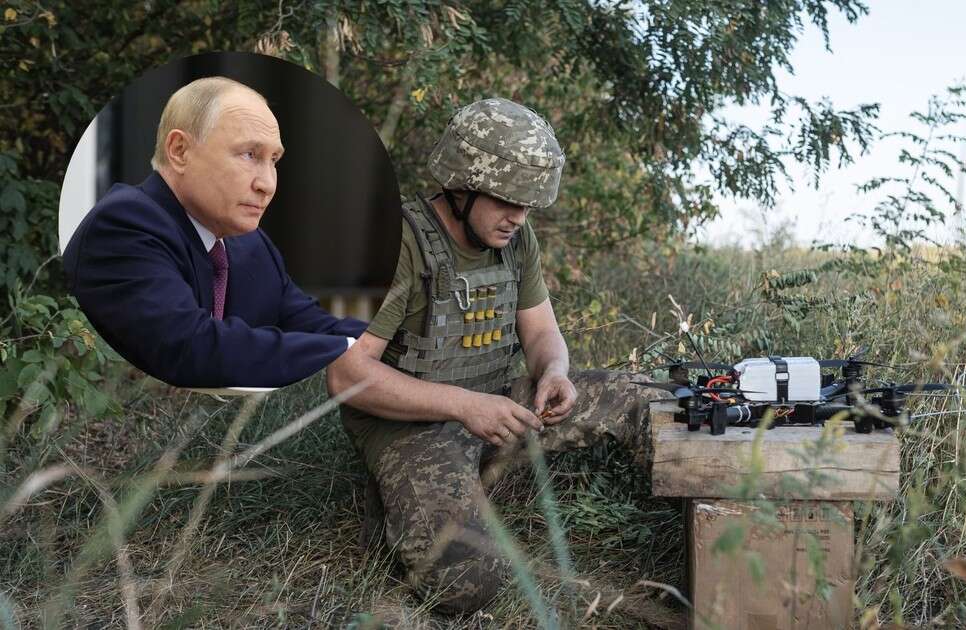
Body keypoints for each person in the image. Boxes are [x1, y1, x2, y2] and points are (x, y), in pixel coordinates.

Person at [328, 98, 649, 614]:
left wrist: (554, 372)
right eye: (506, 201)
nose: (518, 218)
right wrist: (462, 406)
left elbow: (542, 329)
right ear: (462, 185)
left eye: (527, 205)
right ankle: (409, 508)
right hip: (409, 427)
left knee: (645, 397)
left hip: (499, 406)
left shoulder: (516, 240)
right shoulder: (392, 242)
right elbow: (346, 376)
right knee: (468, 584)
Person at [63, 76, 366, 388]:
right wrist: (350, 353)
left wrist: (392, 345)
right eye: (250, 154)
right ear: (179, 150)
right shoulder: (125, 223)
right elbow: (191, 349)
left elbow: (316, 327)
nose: (268, 184)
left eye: (273, 160)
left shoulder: (251, 245)